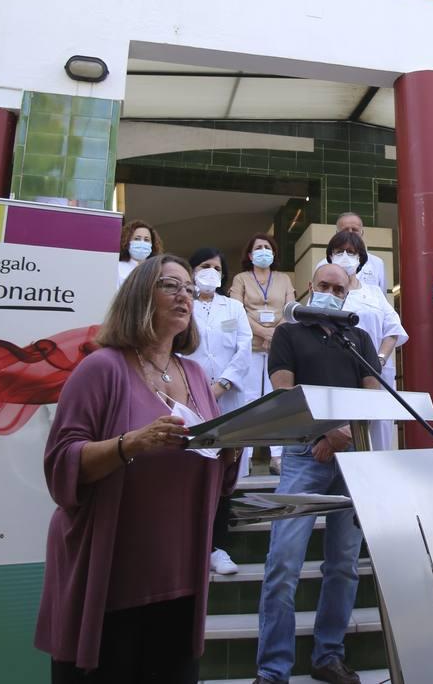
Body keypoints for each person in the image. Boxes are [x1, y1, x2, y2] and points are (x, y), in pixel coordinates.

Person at [37, 254, 238, 683]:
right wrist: (131, 444)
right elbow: (60, 465)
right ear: (138, 297)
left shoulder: (197, 375)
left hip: (181, 574)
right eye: (170, 285)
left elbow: (210, 472)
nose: (184, 294)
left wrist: (230, 451)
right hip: (113, 575)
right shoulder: (102, 368)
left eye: (188, 287)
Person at [254, 264, 382, 684]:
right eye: (323, 285)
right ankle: (273, 669)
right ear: (310, 287)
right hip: (303, 455)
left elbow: (373, 396)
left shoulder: (358, 337)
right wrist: (327, 433)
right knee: (282, 563)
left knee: (343, 564)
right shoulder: (289, 335)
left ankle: (328, 655)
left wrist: (342, 437)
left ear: (347, 295)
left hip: (353, 460)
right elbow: (285, 392)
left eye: (337, 289)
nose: (329, 292)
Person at [185, 247, 253, 576]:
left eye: (216, 267)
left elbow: (244, 345)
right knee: (195, 471)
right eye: (203, 266)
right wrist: (197, 391)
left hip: (227, 399)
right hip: (190, 399)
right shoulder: (183, 304)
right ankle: (192, 545)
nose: (210, 272)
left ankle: (218, 547)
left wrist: (223, 384)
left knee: (226, 474)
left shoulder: (234, 306)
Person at [328, 230, 407, 450]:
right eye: (339, 251)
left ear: (360, 258)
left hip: (376, 373)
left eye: (350, 252)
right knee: (346, 437)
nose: (344, 256)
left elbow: (392, 329)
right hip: (339, 375)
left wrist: (379, 360)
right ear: (330, 256)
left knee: (379, 435)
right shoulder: (325, 292)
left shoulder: (374, 292)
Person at [229, 233, 296, 476]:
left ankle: (277, 457)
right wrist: (263, 333)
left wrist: (274, 335)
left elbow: (290, 310)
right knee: (246, 400)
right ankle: (242, 457)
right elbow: (236, 309)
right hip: (250, 346)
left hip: (278, 348)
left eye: (268, 247)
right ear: (250, 254)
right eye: (258, 247)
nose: (264, 251)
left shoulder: (284, 279)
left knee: (277, 399)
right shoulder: (241, 279)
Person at [314, 211, 386, 291]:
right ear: (337, 234)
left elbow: (382, 296)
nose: (350, 233)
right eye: (345, 230)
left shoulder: (377, 263)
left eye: (355, 230)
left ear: (362, 233)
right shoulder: (323, 266)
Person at [116, 219, 161, 284]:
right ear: (127, 242)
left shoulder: (158, 270)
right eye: (137, 239)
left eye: (146, 240)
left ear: (152, 244)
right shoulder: (118, 268)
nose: (142, 242)